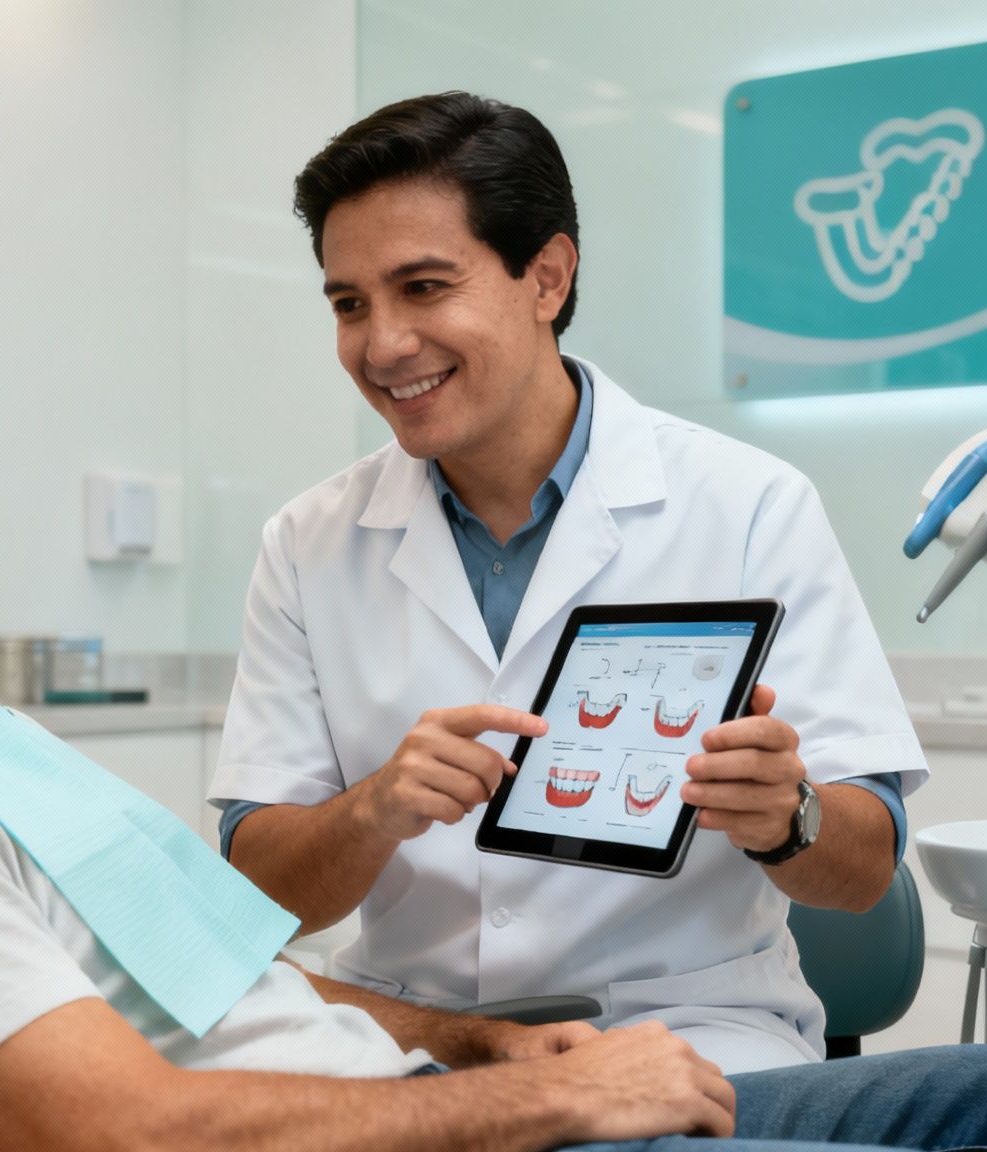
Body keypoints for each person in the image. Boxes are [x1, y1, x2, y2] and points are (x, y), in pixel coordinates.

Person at [0, 267, 987, 1152]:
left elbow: (207, 975)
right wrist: (553, 1089)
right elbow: (113, 1133)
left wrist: (475, 1043)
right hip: (416, 1144)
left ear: (547, 281)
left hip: (445, 1091)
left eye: (424, 288)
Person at [210, 91, 928, 1075]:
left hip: (685, 1035)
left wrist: (785, 815)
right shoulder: (306, 543)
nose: (380, 345)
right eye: (348, 304)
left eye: (423, 287)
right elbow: (255, 894)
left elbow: (862, 868)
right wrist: (372, 810)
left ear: (544, 278)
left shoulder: (747, 505)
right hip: (415, 1048)